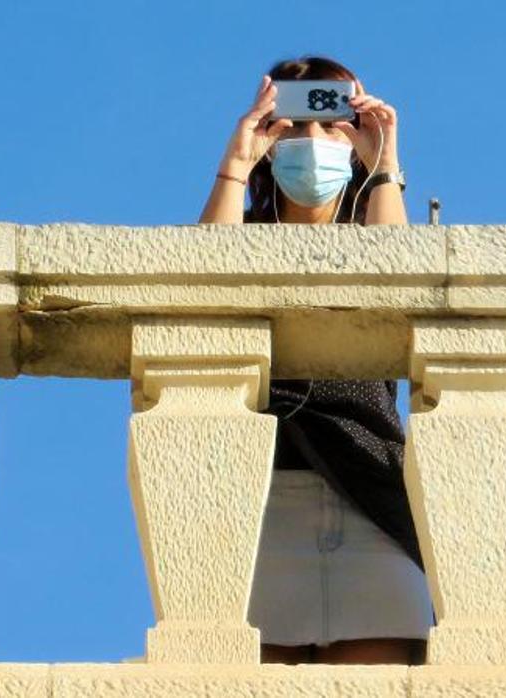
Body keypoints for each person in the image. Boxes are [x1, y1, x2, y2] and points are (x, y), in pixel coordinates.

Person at [198, 55, 431, 665]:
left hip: (371, 501)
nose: (312, 139)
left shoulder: (379, 221)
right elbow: (199, 292)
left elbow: (398, 293)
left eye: (331, 123)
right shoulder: (242, 231)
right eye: (295, 123)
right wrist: (234, 166)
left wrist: (384, 166)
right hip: (261, 510)